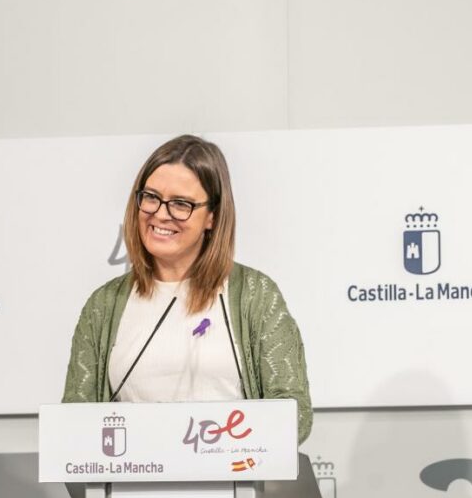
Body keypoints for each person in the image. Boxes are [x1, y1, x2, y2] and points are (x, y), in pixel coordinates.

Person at [61, 134, 312, 443]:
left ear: (212, 217)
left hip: (232, 472)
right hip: (133, 473)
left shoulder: (256, 294)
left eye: (181, 204)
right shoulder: (104, 305)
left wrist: (218, 447)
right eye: (151, 197)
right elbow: (73, 422)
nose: (160, 213)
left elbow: (294, 415)